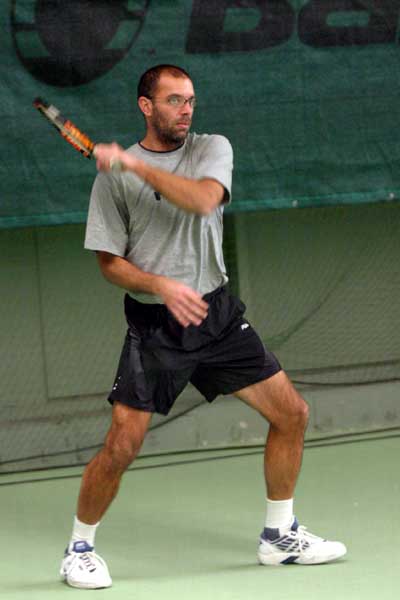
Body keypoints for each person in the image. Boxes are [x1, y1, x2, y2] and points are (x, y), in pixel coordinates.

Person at [60, 64, 346, 589]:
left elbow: (203, 199)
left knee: (292, 414)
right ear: (146, 106)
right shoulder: (111, 180)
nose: (186, 109)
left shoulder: (212, 148)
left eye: (190, 99)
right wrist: (160, 285)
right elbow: (109, 264)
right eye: (173, 100)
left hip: (216, 315)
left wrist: (131, 163)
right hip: (156, 326)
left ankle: (279, 536)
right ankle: (79, 549)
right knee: (121, 446)